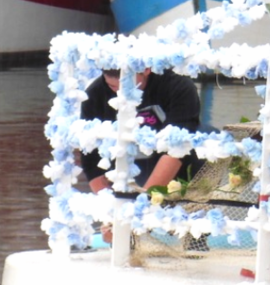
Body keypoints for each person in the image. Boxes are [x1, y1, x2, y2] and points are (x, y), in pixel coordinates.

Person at [80, 67, 203, 241]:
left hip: (177, 170)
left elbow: (177, 151)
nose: (121, 93)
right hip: (124, 172)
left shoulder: (178, 86)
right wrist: (112, 214)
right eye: (113, 87)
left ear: (146, 70)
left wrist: (140, 209)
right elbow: (91, 161)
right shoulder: (95, 94)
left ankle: (194, 235)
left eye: (127, 86)